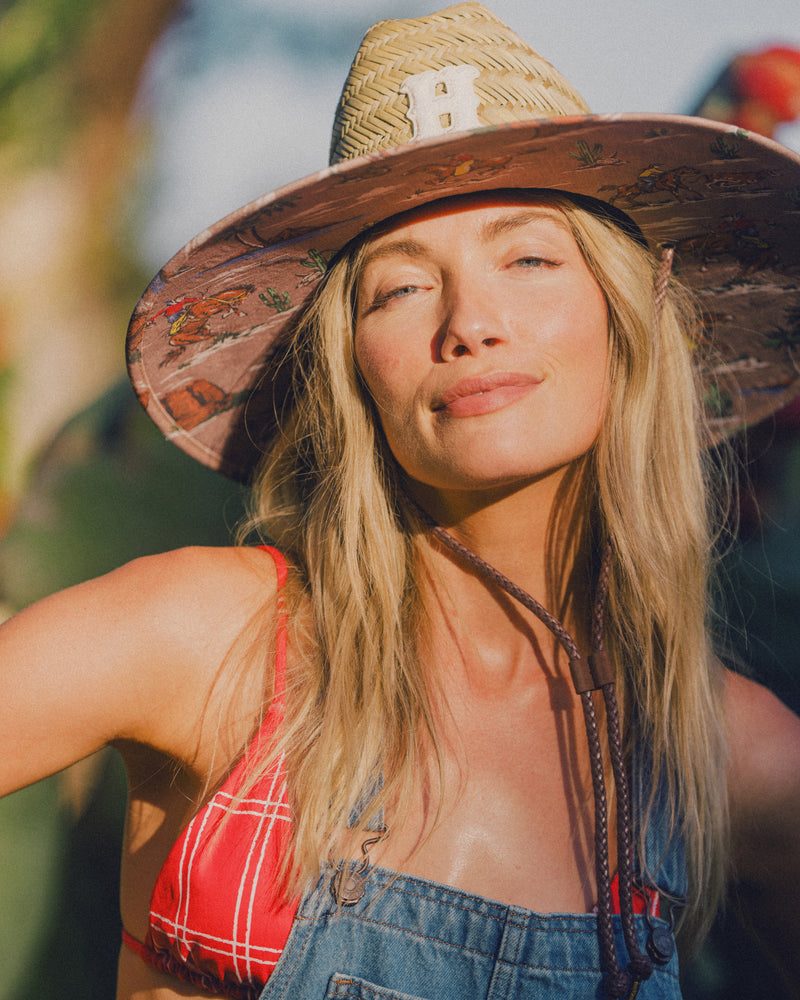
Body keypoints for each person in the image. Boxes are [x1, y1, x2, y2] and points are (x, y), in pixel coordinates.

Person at [3, 4, 800, 998]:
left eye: (528, 259)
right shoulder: (209, 642)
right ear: (348, 369)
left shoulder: (724, 756)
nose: (470, 322)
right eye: (400, 289)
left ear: (624, 318)